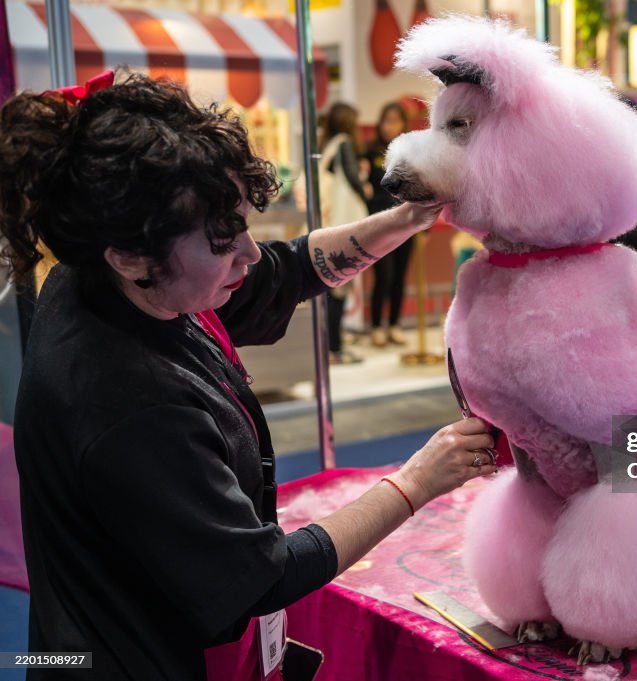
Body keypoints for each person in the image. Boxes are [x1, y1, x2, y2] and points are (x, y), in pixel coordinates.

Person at [0, 71, 496, 680]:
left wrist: (403, 220)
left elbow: (280, 272)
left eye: (242, 226)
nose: (249, 254)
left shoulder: (119, 279)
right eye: (221, 242)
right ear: (129, 257)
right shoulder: (126, 399)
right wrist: (415, 482)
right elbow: (260, 578)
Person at [320, 102, 371, 365]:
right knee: (339, 288)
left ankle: (332, 346)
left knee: (331, 288)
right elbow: (352, 179)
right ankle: (335, 349)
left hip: (329, 225)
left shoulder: (326, 146)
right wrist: (366, 192)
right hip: (345, 226)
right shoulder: (343, 144)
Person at [363, 102, 412, 347]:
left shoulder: (410, 152)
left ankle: (394, 324)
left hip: (405, 221)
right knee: (384, 275)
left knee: (400, 277)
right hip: (379, 222)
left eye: (395, 120)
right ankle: (375, 326)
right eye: (386, 120)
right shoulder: (370, 151)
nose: (389, 125)